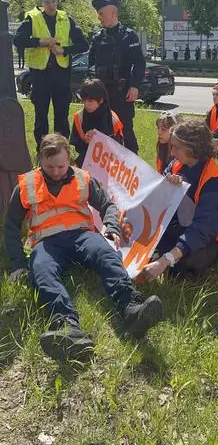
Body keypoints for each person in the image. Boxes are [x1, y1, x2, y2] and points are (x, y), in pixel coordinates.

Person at [4, 133, 164, 361]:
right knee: (41, 270)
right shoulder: (26, 183)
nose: (56, 172)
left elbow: (107, 205)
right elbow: (10, 227)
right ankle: (68, 328)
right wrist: (18, 264)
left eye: (60, 166)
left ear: (69, 157)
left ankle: (131, 307)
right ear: (40, 160)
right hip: (47, 243)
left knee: (107, 255)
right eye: (50, 167)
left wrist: (111, 228)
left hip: (83, 236)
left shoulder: (84, 178)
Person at [139, 120, 218, 280]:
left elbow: (201, 230)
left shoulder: (214, 184)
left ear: (193, 149)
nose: (172, 152)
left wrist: (165, 260)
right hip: (182, 225)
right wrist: (166, 186)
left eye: (176, 147)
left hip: (209, 238)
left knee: (181, 266)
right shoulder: (177, 165)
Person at [13, 0, 88, 151]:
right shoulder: (33, 18)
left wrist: (64, 50)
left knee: (61, 113)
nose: (51, 6)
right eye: (47, 2)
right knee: (41, 114)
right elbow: (18, 40)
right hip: (41, 74)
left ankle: (61, 150)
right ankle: (43, 150)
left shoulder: (66, 18)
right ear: (42, 3)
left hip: (61, 74)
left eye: (53, 1)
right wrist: (42, 42)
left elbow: (83, 45)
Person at [89, 0, 145, 154]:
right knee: (101, 128)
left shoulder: (128, 35)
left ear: (113, 13)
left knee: (125, 129)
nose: (99, 18)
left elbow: (139, 63)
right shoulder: (98, 37)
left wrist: (135, 86)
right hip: (101, 92)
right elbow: (91, 63)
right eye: (98, 14)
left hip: (122, 92)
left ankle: (134, 168)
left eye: (101, 14)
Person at [70, 78, 124, 167]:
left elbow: (119, 150)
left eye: (90, 101)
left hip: (108, 163)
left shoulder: (113, 120)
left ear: (101, 100)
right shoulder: (79, 117)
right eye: (84, 100)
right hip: (85, 160)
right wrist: (86, 141)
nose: (87, 104)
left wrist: (99, 141)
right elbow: (77, 147)